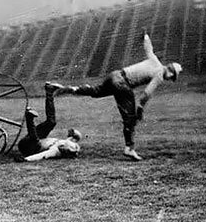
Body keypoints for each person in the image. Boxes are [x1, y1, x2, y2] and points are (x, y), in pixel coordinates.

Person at [50, 32, 182, 161]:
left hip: (115, 75)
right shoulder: (159, 74)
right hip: (123, 84)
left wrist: (146, 36)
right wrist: (140, 107)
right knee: (130, 118)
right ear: (170, 72)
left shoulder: (155, 61)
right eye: (173, 77)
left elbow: (148, 48)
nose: (170, 79)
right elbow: (147, 92)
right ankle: (129, 148)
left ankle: (70, 89)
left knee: (96, 91)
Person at [17, 82, 82, 162]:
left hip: (27, 146)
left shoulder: (56, 151)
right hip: (37, 139)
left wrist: (26, 159)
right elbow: (75, 137)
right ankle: (49, 91)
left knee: (35, 140)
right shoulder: (71, 144)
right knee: (51, 122)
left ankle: (29, 117)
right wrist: (74, 134)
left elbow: (42, 155)